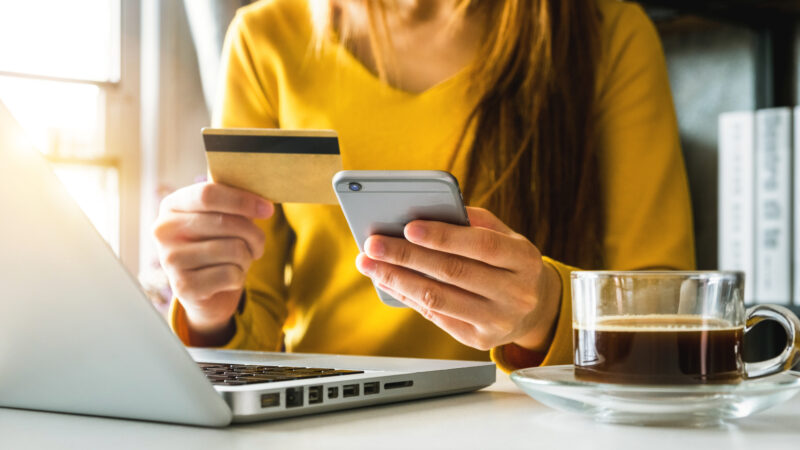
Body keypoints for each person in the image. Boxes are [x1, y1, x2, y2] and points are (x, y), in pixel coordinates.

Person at [152, 0, 695, 372]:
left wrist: (544, 312)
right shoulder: (264, 37)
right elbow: (253, 332)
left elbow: (673, 315)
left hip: (527, 423)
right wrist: (207, 309)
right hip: (324, 424)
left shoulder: (608, 32)